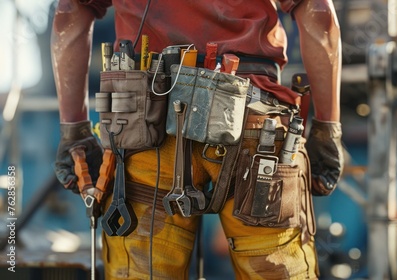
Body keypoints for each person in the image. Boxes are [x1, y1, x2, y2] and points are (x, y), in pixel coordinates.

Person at [52, 0, 344, 279]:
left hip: (145, 128)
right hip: (252, 122)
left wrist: (73, 129)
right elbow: (319, 14)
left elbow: (68, 12)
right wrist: (327, 128)